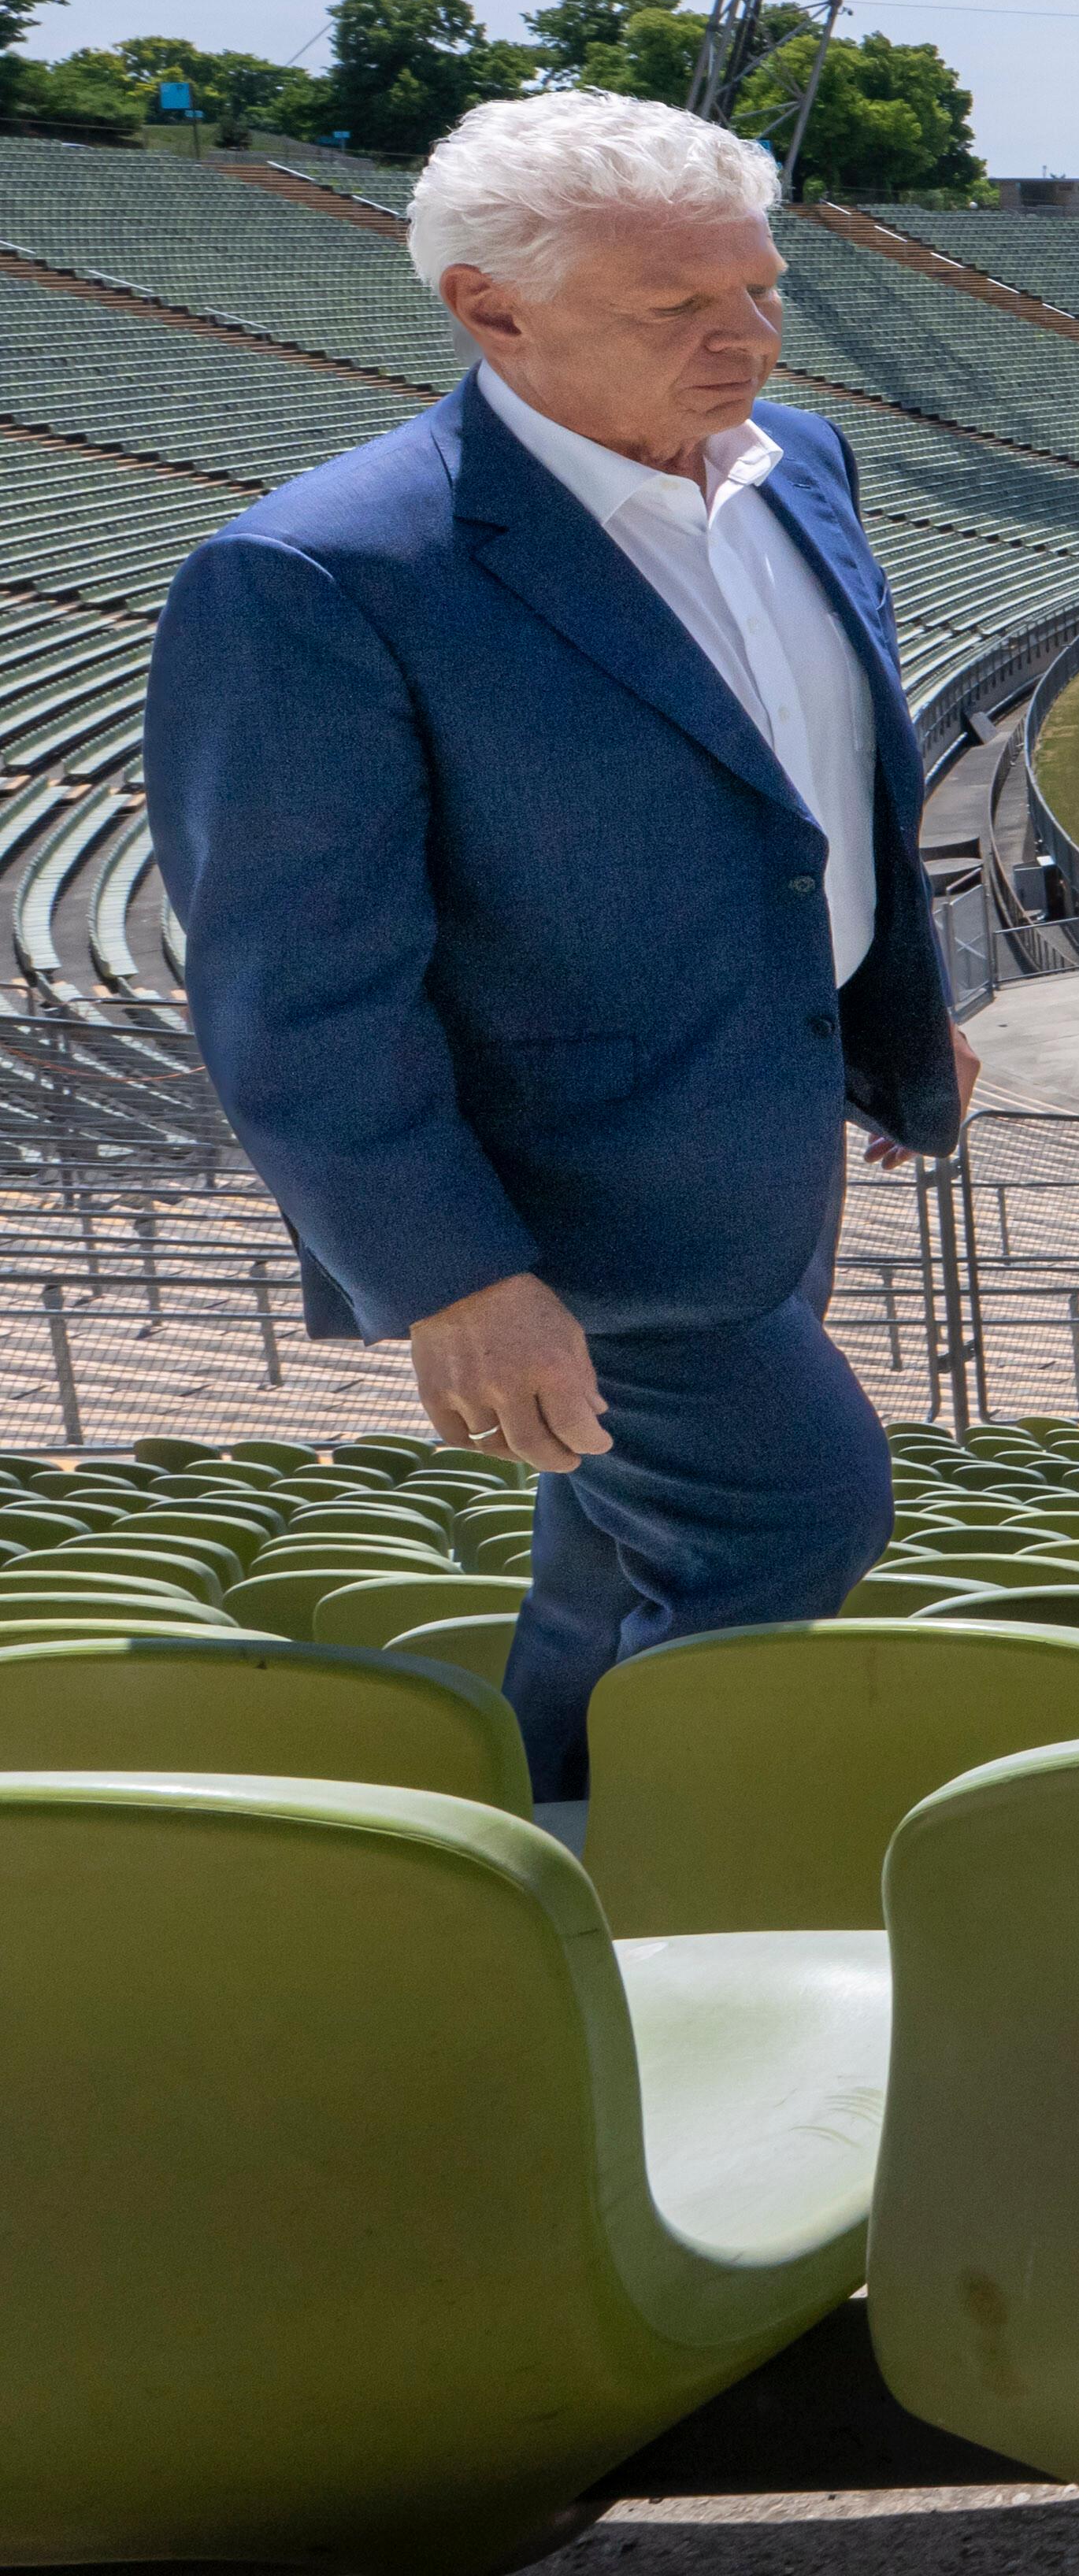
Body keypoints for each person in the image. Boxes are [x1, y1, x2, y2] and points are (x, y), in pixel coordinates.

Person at [143, 89, 970, 1793]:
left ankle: (531, 1835)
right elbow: (292, 990)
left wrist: (887, 1001)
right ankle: (654, 1916)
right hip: (574, 1203)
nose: (744, 338)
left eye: (760, 288)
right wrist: (450, 1274)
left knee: (612, 1567)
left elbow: (822, 786)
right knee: (795, 1511)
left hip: (767, 1139)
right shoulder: (318, 574)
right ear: (488, 308)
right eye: (677, 307)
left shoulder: (804, 463)